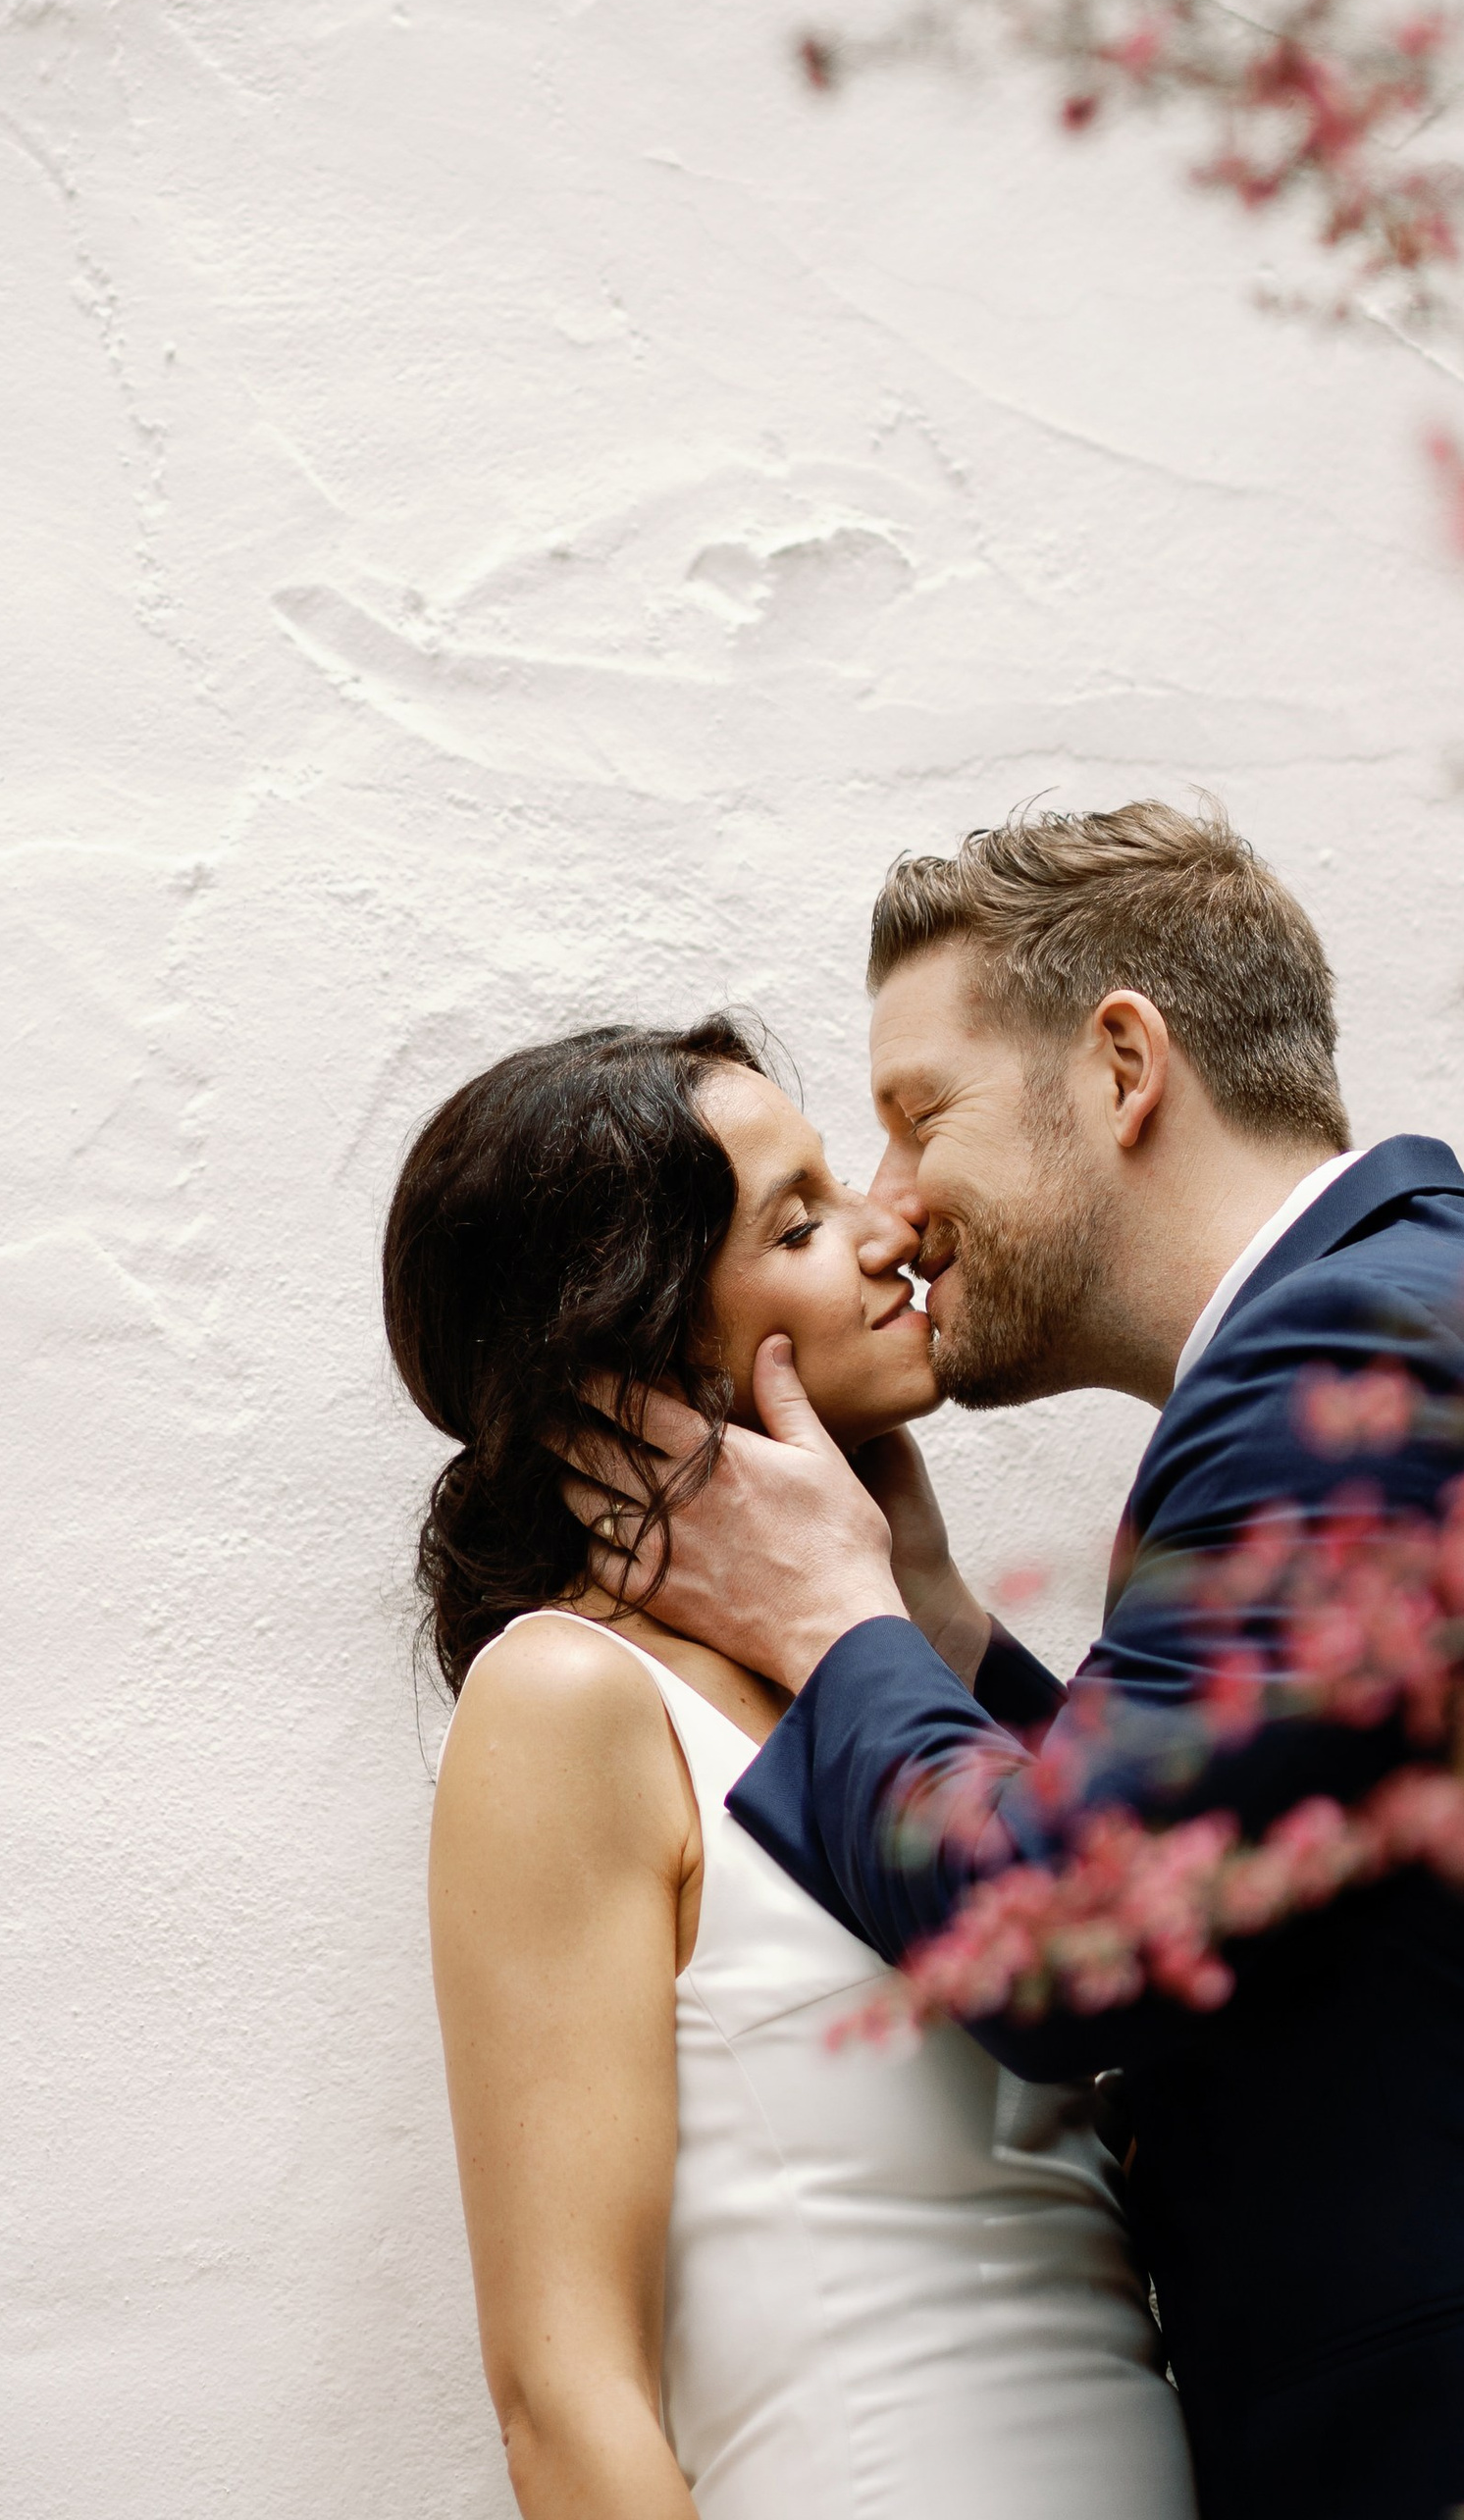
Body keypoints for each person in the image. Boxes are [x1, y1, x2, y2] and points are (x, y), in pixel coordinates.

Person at [572, 805, 1464, 2520]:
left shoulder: (1351, 1360)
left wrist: (829, 1622)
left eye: (918, 1117)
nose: (891, 1210)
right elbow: (1237, 1850)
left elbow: (1066, 1943)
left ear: (1122, 1066)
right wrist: (938, 1620)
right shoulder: (1412, 1317)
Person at [383, 1014, 1194, 2520]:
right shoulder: (574, 1702)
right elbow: (567, 2399)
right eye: (805, 1220)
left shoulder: (903, 1690)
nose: (893, 1232)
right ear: (632, 1333)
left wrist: (918, 1605)